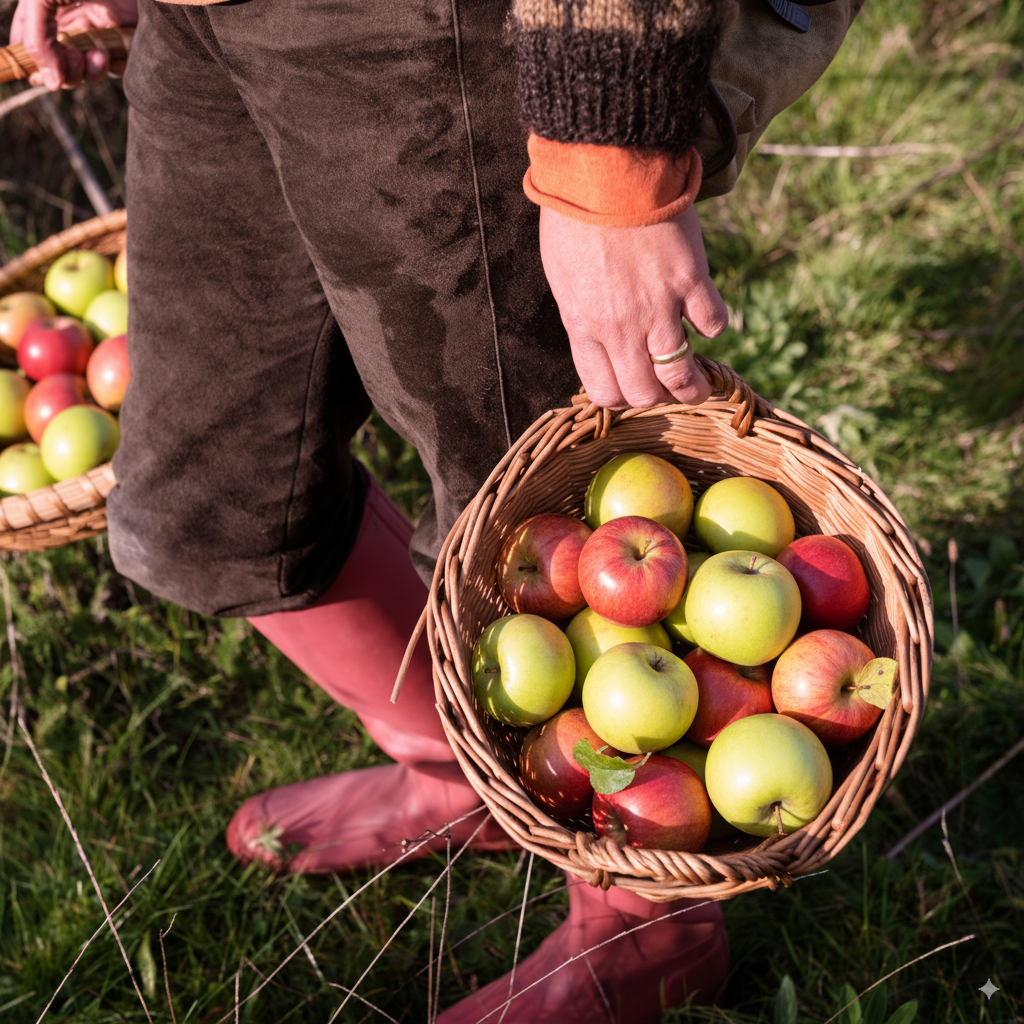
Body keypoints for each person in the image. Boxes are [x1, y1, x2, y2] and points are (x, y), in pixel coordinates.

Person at [11, 0, 863, 1018]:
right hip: (208, 22)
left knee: (520, 515)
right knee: (205, 505)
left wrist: (607, 169)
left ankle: (649, 927)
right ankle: (465, 765)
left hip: (431, 34)